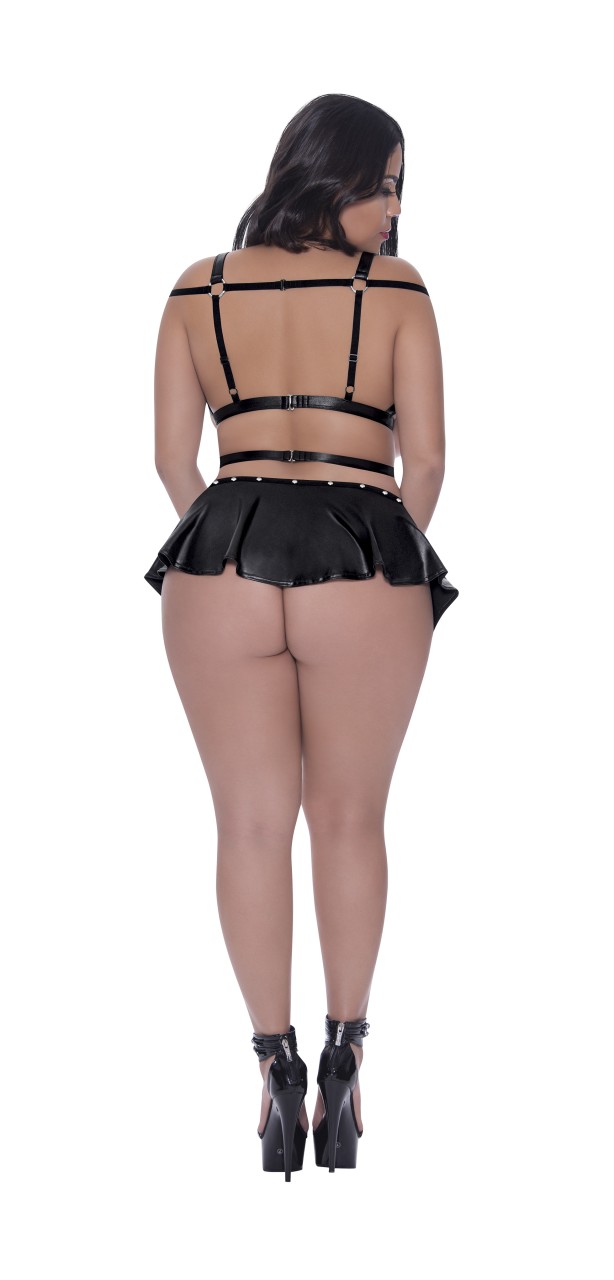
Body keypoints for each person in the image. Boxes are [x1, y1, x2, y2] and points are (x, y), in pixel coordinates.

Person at [144, 92, 459, 1180]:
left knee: (246, 825)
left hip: (218, 555)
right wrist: (379, 553)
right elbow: (426, 462)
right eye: (387, 184)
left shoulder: (197, 288)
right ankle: (344, 1057)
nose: (395, 208)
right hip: (360, 542)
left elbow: (170, 459)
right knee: (349, 817)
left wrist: (234, 528)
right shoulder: (395, 290)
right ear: (337, 176)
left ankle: (272, 1066)